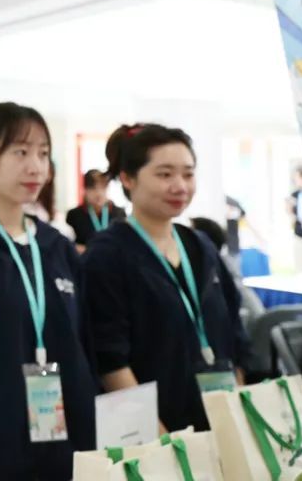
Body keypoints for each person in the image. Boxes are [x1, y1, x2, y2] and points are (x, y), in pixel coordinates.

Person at [85, 124, 251, 433]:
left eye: (188, 174)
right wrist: (159, 437)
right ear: (128, 179)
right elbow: (110, 360)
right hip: (156, 431)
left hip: (220, 420)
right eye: (164, 174)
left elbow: (233, 330)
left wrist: (236, 414)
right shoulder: (107, 255)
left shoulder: (200, 245)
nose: (180, 186)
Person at [0, 102, 96, 480]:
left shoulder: (57, 246)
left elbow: (83, 342)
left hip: (67, 443)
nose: (36, 167)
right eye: (21, 152)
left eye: (43, 154)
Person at [66, 169, 126, 251]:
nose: (98, 193)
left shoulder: (119, 214)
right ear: (85, 189)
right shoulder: (74, 215)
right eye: (93, 188)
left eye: (102, 187)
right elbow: (68, 246)